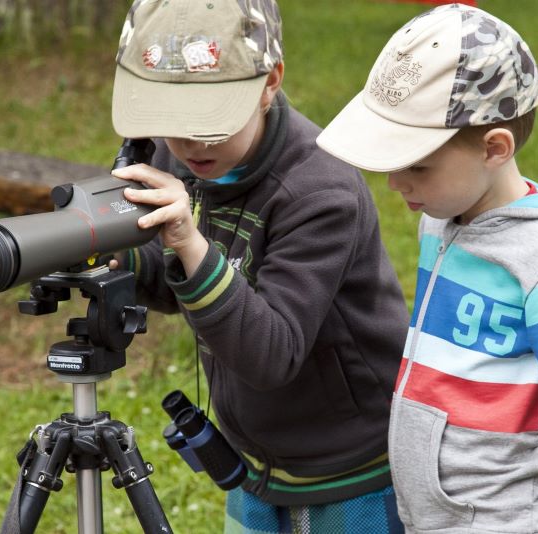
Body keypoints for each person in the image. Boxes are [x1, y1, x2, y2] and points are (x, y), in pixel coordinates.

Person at [316, 4, 538, 533]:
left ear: (495, 148)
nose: (395, 184)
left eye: (416, 164)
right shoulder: (441, 222)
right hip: (445, 516)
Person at [108, 0, 409, 532]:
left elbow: (271, 353)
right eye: (170, 121)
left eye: (212, 120)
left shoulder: (321, 191)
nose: (190, 143)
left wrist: (189, 242)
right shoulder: (181, 156)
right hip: (253, 460)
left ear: (270, 82)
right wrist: (119, 255)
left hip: (349, 468)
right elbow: (177, 284)